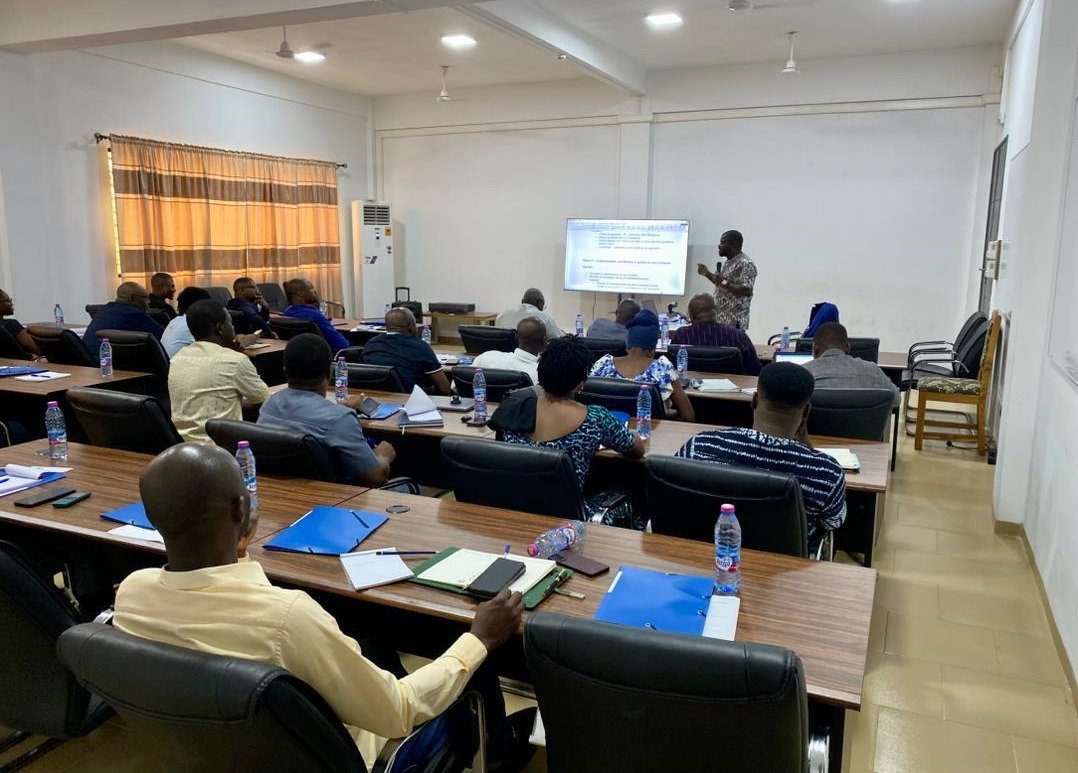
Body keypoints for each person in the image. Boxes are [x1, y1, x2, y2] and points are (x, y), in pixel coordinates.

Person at [113, 443, 528, 771]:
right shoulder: (286, 617)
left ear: (150, 516)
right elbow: (398, 712)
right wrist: (479, 638)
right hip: (354, 757)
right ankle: (499, 753)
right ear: (242, 509)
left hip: (215, 752)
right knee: (472, 668)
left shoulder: (131, 593)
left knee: (367, 639)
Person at [675, 362, 846, 556]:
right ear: (806, 412)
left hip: (706, 559)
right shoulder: (826, 472)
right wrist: (806, 446)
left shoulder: (700, 446)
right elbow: (834, 522)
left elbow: (676, 496)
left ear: (754, 400)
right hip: (786, 571)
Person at [490, 336, 646, 529]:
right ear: (581, 381)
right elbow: (637, 449)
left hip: (516, 513)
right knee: (635, 494)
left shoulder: (515, 409)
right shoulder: (595, 418)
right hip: (569, 522)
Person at [259, 334, 396, 485]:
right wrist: (383, 456)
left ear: (285, 370)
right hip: (340, 501)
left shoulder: (269, 405)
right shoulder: (341, 419)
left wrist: (339, 409)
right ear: (329, 373)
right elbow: (375, 477)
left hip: (284, 494)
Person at [168, 300, 270, 443]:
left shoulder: (178, 358)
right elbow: (265, 403)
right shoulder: (235, 360)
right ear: (219, 328)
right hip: (223, 448)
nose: (233, 328)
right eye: (230, 322)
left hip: (183, 446)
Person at [588, 309, 696, 421]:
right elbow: (688, 416)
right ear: (652, 349)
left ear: (627, 345)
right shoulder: (663, 368)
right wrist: (666, 416)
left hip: (607, 433)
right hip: (649, 434)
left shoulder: (603, 364)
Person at [803, 322, 899, 406]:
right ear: (848, 347)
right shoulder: (873, 371)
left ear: (815, 349)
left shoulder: (803, 373)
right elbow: (896, 400)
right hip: (864, 427)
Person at [360, 307, 451, 394]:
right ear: (411, 326)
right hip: (412, 399)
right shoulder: (420, 347)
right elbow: (445, 388)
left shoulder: (371, 344)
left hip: (376, 396)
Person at [669, 293, 762, 375]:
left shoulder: (681, 335)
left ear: (690, 315)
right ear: (716, 311)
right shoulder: (737, 336)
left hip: (690, 391)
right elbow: (756, 371)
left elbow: (671, 368)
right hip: (731, 393)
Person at [82, 282, 165, 359]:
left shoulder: (104, 310)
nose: (149, 302)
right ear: (133, 298)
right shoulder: (134, 314)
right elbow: (165, 337)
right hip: (108, 364)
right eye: (146, 298)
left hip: (88, 360)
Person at [696, 230, 756, 330]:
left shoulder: (745, 263)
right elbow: (721, 283)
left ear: (734, 244)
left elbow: (747, 290)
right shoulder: (728, 261)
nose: (719, 246)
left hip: (734, 322)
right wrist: (707, 274)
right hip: (721, 320)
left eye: (723, 242)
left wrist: (724, 282)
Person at [471, 317, 547, 386]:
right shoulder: (541, 373)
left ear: (516, 338)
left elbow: (466, 376)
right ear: (544, 341)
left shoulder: (487, 356)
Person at [281, 277, 350, 352]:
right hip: (331, 356)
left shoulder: (286, 313)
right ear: (301, 293)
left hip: (302, 355)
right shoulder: (315, 315)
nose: (315, 293)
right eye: (312, 290)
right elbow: (342, 344)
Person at [161, 287, 210, 358]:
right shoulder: (193, 323)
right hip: (178, 366)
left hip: (170, 365)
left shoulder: (175, 321)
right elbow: (212, 348)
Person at [495, 288, 564, 340]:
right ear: (539, 302)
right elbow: (559, 339)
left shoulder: (502, 315)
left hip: (504, 355)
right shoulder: (543, 318)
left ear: (522, 301)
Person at [0, 288, 42, 356]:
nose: (11, 303)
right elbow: (38, 349)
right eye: (8, 300)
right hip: (20, 365)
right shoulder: (11, 324)